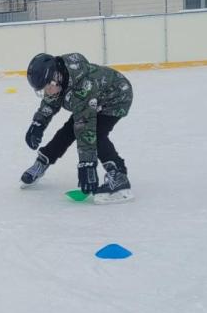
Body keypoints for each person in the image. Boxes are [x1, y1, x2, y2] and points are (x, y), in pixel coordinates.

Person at [20, 52, 133, 201]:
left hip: (116, 98)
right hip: (92, 100)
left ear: (56, 78)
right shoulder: (59, 79)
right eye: (43, 90)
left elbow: (85, 128)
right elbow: (50, 102)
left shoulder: (82, 87)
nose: (47, 92)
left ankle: (119, 177)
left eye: (47, 87)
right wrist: (38, 124)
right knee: (68, 131)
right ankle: (43, 161)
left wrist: (87, 165)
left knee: (95, 134)